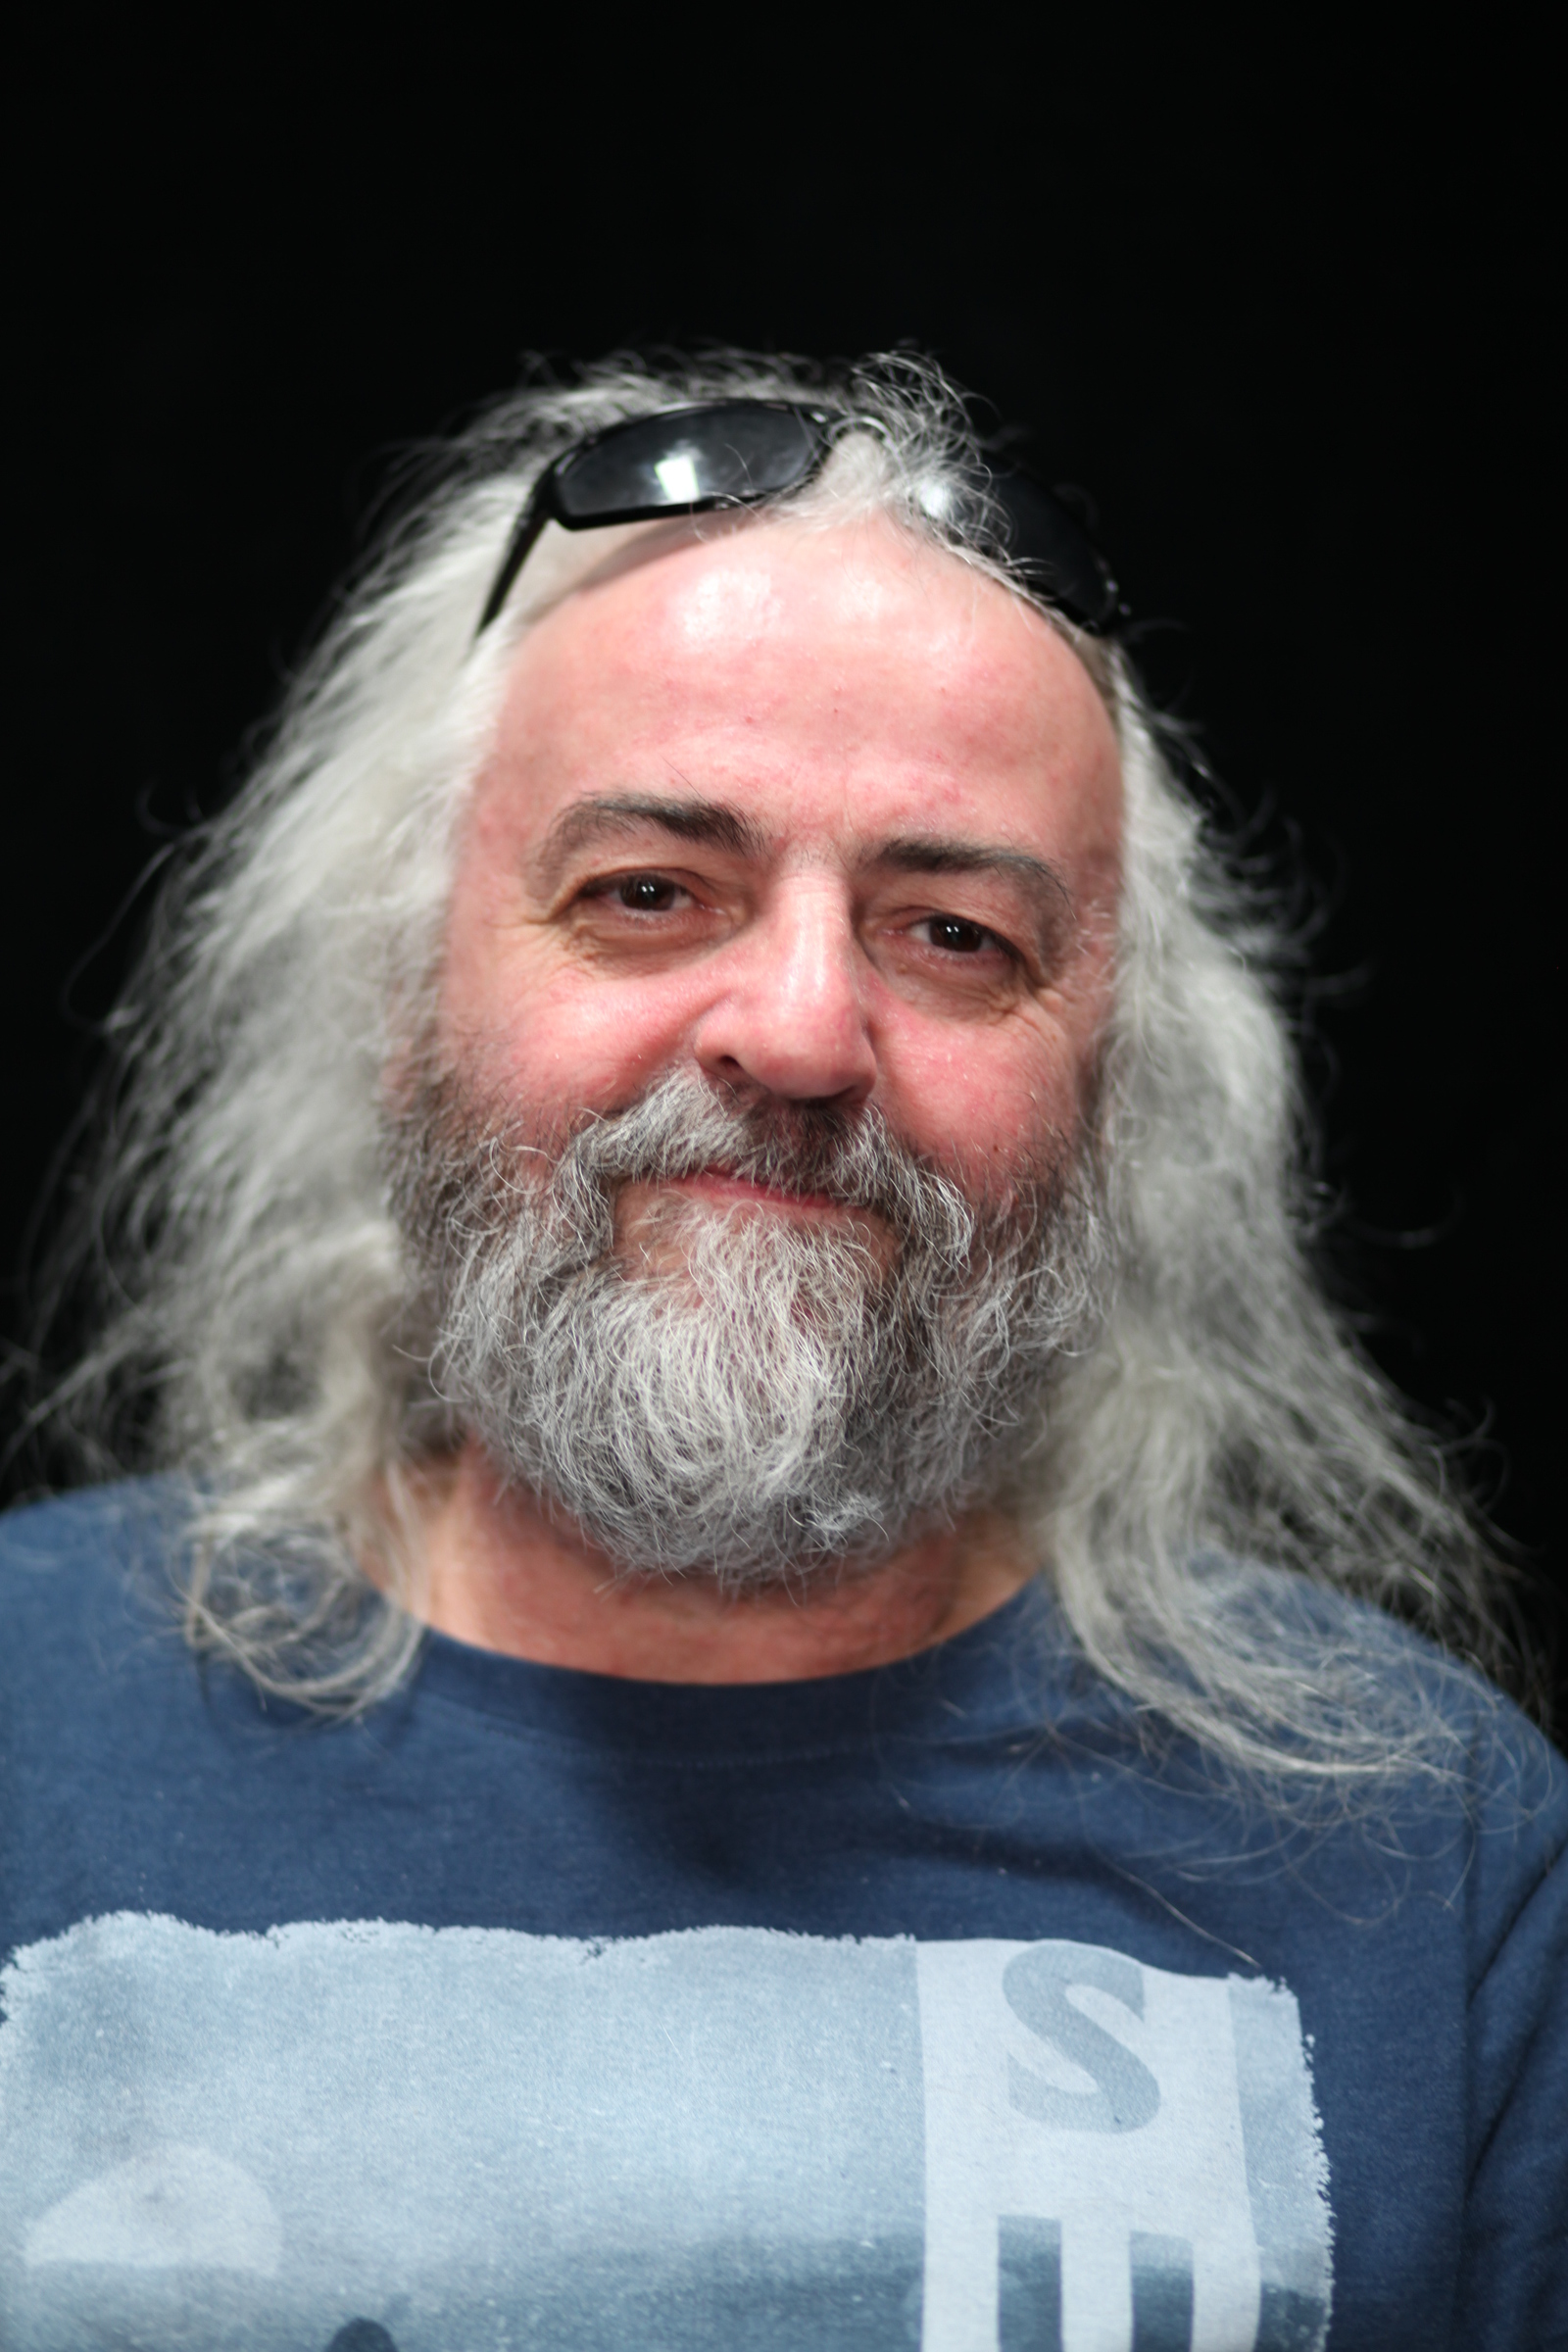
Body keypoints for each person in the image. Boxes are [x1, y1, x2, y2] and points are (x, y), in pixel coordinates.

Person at [0, 356, 1561, 2352]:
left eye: (954, 935)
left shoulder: (1436, 1859)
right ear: (402, 999)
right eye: (650, 893)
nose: (805, 1034)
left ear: (1110, 1094)